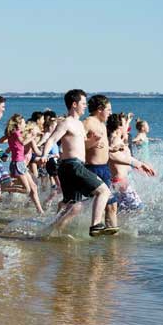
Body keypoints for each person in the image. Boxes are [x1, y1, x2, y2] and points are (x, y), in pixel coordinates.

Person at [41, 89, 113, 237]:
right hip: (72, 165)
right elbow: (52, 139)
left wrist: (94, 141)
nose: (85, 106)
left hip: (73, 166)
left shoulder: (79, 124)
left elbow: (81, 144)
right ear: (74, 104)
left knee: (75, 207)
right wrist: (44, 155)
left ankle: (52, 232)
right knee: (104, 191)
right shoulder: (67, 122)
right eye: (83, 103)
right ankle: (96, 225)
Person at [83, 95, 120, 232]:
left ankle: (111, 238)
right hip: (93, 169)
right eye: (108, 109)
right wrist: (91, 142)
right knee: (109, 204)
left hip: (104, 168)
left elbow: (100, 145)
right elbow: (77, 144)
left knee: (112, 205)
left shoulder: (102, 125)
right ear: (100, 109)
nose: (110, 113)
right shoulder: (88, 122)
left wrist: (109, 148)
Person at [106, 114, 156, 212]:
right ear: (119, 127)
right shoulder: (114, 140)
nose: (128, 127)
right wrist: (137, 164)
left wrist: (138, 164)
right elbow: (112, 156)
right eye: (125, 124)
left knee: (120, 210)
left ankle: (119, 225)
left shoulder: (116, 139)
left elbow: (124, 157)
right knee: (139, 208)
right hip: (120, 183)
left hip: (119, 182)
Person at [1, 113, 44, 213]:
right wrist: (33, 136)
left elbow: (1, 140)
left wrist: (7, 139)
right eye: (24, 123)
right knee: (27, 190)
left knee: (33, 187)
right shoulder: (16, 133)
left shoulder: (15, 133)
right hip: (17, 164)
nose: (25, 125)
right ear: (18, 124)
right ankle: (2, 188)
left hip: (20, 164)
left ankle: (40, 210)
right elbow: (23, 143)